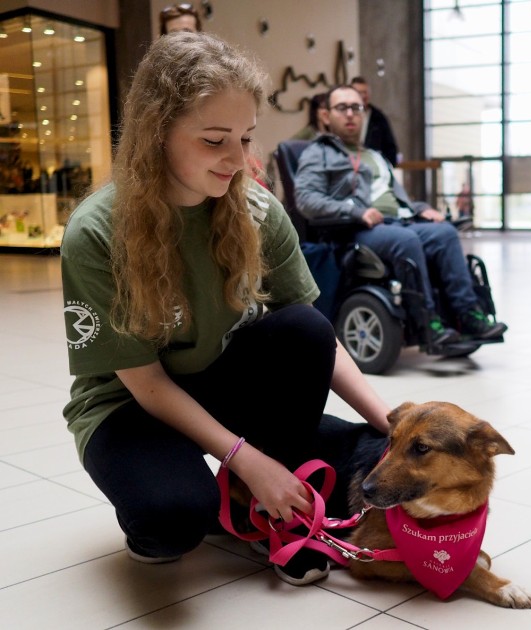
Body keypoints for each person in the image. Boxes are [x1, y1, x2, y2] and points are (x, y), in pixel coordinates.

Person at [60, 33, 391, 586]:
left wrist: (391, 420)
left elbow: (317, 340)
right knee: (172, 521)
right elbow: (145, 383)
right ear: (157, 133)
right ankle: (214, 487)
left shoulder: (256, 207)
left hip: (218, 377)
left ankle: (259, 507)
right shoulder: (96, 232)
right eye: (215, 140)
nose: (238, 160)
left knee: (305, 328)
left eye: (245, 137)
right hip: (131, 404)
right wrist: (251, 460)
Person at [294, 84, 507, 345]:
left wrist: (422, 210)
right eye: (342, 108)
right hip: (354, 229)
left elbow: (398, 199)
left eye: (356, 108)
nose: (350, 114)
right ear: (327, 115)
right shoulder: (318, 153)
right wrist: (356, 211)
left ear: (363, 114)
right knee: (405, 240)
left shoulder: (375, 156)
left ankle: (469, 315)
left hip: (400, 222)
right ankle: (429, 322)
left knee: (445, 233)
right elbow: (306, 199)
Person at [351, 76, 400, 166]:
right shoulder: (345, 115)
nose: (363, 96)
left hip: (373, 165)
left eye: (365, 92)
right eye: (359, 92)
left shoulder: (379, 118)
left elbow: (390, 148)